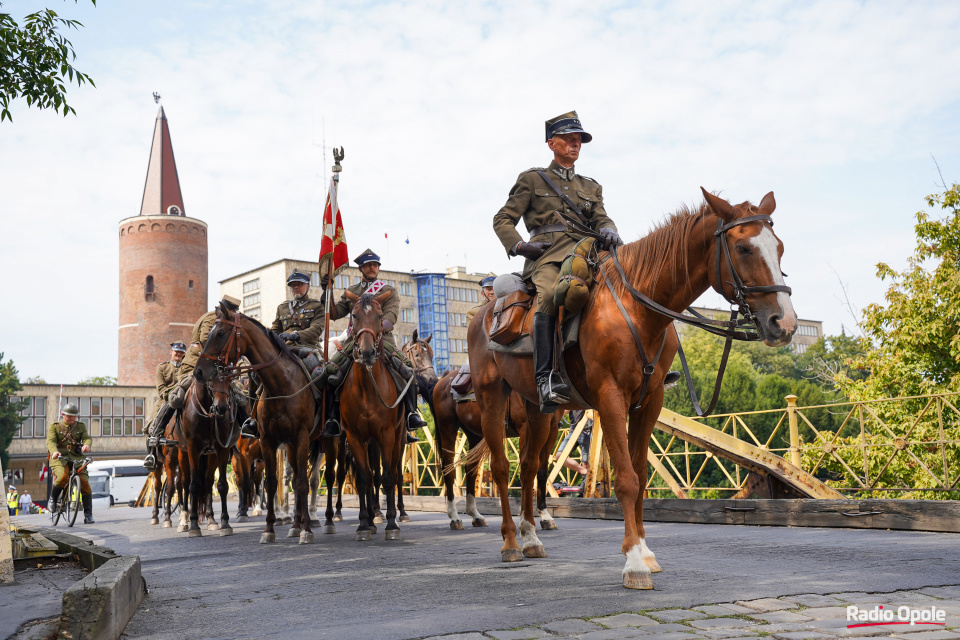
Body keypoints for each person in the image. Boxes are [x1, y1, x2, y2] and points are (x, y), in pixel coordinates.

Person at [320, 248, 426, 442]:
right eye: (368, 265)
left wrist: (376, 328)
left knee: (408, 370)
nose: (372, 268)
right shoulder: (352, 292)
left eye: (375, 265)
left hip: (382, 339)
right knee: (329, 372)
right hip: (355, 340)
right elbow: (334, 313)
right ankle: (333, 419)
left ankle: (411, 415)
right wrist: (325, 292)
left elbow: (391, 316)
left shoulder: (388, 291)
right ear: (361, 268)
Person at [143, 296, 241, 468]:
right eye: (233, 312)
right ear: (228, 310)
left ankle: (243, 432)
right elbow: (206, 340)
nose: (233, 315)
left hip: (214, 366)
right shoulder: (212, 318)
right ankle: (157, 431)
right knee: (177, 397)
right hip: (197, 364)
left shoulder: (219, 318)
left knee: (238, 394)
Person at [240, 270, 325, 439]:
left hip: (307, 348)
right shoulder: (283, 308)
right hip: (283, 351)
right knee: (254, 372)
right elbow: (275, 330)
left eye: (299, 285)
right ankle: (253, 419)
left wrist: (295, 335)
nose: (296, 288)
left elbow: (317, 329)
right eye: (293, 286)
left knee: (319, 373)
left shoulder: (316, 306)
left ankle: (325, 414)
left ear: (307, 286)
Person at [47, 403, 94, 524]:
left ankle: (88, 514)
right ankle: (52, 499)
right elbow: (51, 441)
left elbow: (87, 438)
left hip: (76, 457)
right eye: (69, 416)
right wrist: (54, 451)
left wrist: (87, 445)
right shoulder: (55, 427)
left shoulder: (80, 426)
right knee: (63, 476)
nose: (71, 419)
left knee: (85, 483)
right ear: (63, 415)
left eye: (74, 416)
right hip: (59, 457)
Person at [143, 342, 187, 469]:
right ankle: (151, 456)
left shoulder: (187, 368)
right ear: (171, 352)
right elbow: (161, 388)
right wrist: (173, 396)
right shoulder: (162, 367)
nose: (178, 354)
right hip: (166, 399)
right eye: (176, 352)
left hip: (185, 399)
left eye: (181, 352)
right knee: (152, 424)